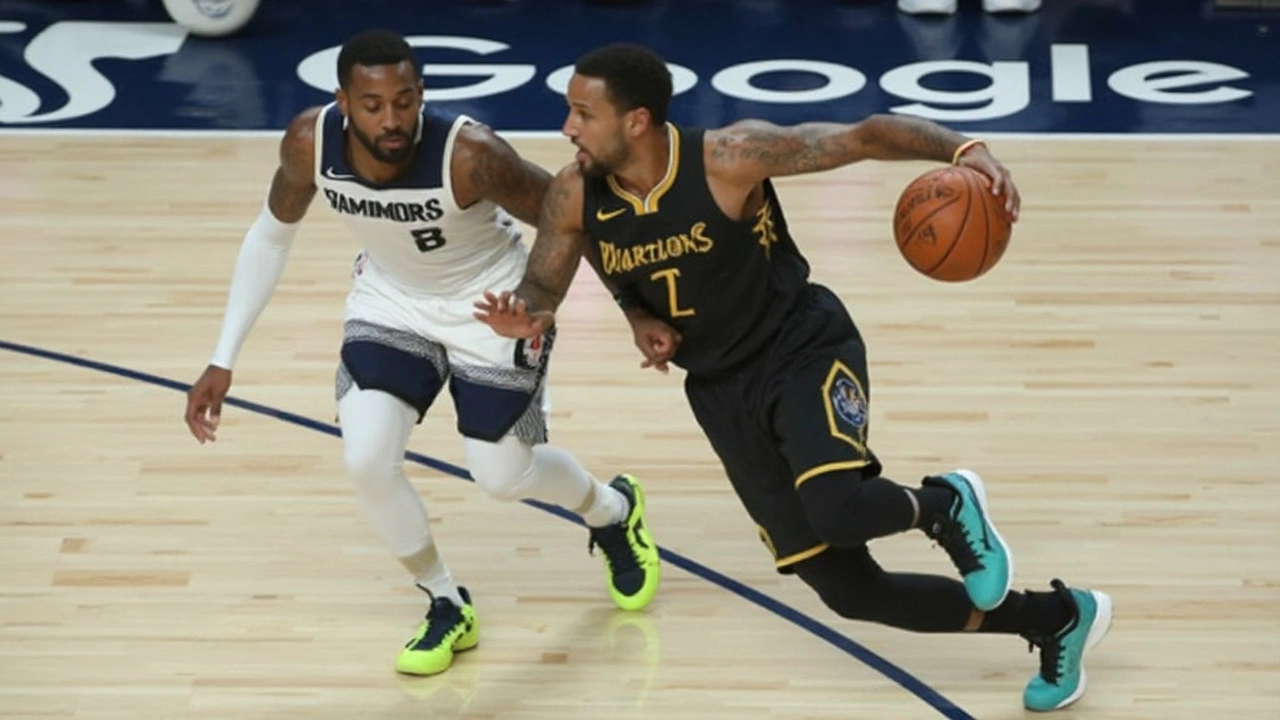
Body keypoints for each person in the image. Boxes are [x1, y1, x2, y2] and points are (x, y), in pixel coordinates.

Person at [474, 42, 1111, 712]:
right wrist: (556, 314)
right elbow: (546, 282)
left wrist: (964, 150)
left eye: (583, 113)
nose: (567, 127)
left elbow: (862, 136)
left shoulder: (728, 158)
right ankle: (1056, 619)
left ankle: (944, 505)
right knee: (849, 590)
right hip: (719, 389)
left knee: (838, 510)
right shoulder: (575, 192)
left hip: (799, 347)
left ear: (636, 121)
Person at [182, 30, 661, 678]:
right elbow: (270, 237)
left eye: (405, 102)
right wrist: (223, 356)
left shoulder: (470, 155)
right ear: (342, 102)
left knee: (501, 478)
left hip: (490, 304)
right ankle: (444, 601)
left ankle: (613, 511)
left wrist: (627, 307)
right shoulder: (309, 142)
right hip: (392, 302)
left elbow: (568, 213)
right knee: (366, 458)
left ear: (421, 95)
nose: (392, 119)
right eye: (373, 105)